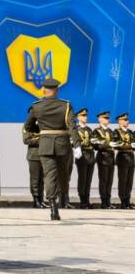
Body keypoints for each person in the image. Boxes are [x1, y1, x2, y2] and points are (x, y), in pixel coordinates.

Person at [23, 78, 76, 221]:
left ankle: (53, 208)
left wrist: (42, 130)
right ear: (57, 90)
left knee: (49, 176)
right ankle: (62, 198)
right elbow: (72, 127)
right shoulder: (66, 106)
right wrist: (77, 145)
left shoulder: (37, 106)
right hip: (62, 145)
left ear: (44, 90)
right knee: (63, 175)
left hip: (45, 145)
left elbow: (28, 126)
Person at [92, 111, 116, 209]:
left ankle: (108, 201)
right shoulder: (96, 131)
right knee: (103, 180)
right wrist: (108, 145)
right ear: (100, 119)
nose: (107, 120)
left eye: (108, 118)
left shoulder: (111, 131)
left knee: (109, 181)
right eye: (105, 118)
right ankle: (104, 202)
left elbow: (115, 142)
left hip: (111, 158)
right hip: (103, 157)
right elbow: (96, 145)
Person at [73, 108, 95, 209]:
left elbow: (93, 142)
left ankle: (87, 200)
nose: (85, 117)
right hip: (82, 156)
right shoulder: (76, 129)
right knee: (82, 179)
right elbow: (73, 142)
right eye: (83, 116)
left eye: (86, 116)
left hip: (90, 156)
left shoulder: (89, 129)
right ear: (78, 117)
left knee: (88, 180)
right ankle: (82, 201)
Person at [113, 113, 134, 209]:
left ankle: (127, 201)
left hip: (131, 158)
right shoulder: (116, 132)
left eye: (127, 120)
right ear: (120, 121)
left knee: (129, 181)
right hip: (122, 157)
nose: (127, 121)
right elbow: (116, 145)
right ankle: (123, 201)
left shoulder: (130, 132)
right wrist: (129, 146)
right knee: (123, 181)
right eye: (125, 120)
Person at [23, 125, 46, 208]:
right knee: (35, 179)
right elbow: (26, 140)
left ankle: (41, 199)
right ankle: (36, 199)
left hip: (43, 155)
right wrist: (41, 141)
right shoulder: (28, 126)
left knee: (42, 180)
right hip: (33, 155)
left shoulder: (42, 124)